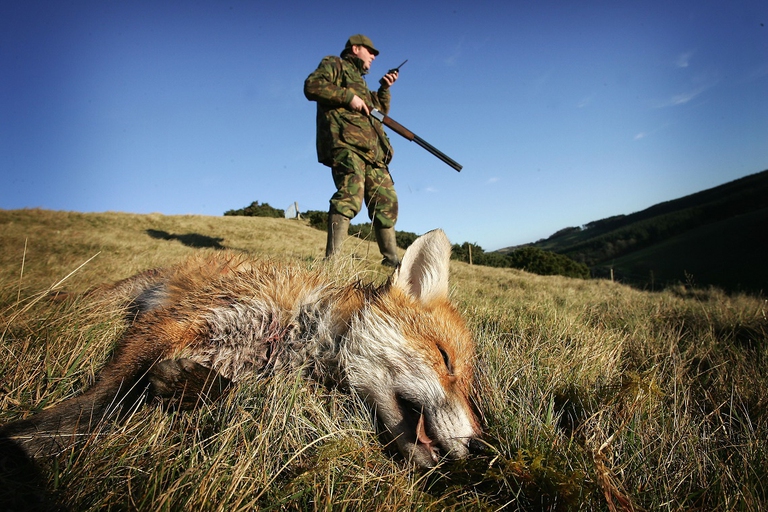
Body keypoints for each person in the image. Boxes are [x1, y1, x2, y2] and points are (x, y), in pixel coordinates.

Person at [304, 34, 401, 267]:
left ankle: (392, 262)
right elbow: (312, 85)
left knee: (386, 202)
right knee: (350, 196)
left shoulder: (362, 83)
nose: (374, 56)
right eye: (371, 51)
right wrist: (349, 97)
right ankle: (332, 263)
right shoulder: (335, 64)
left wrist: (384, 89)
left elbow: (378, 113)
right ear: (355, 48)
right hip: (347, 145)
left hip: (373, 152)